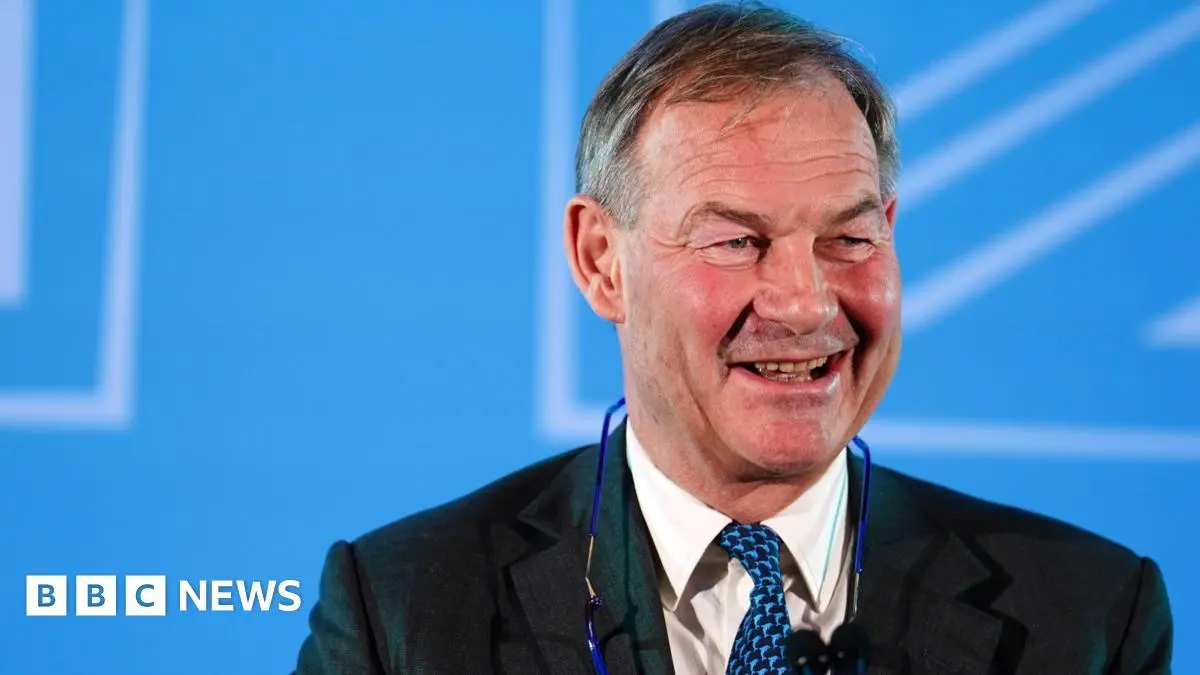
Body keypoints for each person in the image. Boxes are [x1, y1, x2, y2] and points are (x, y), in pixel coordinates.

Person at [292, 3, 1173, 673]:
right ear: (602, 261)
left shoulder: (1090, 617)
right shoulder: (403, 613)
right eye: (736, 241)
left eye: (849, 238)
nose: (805, 302)